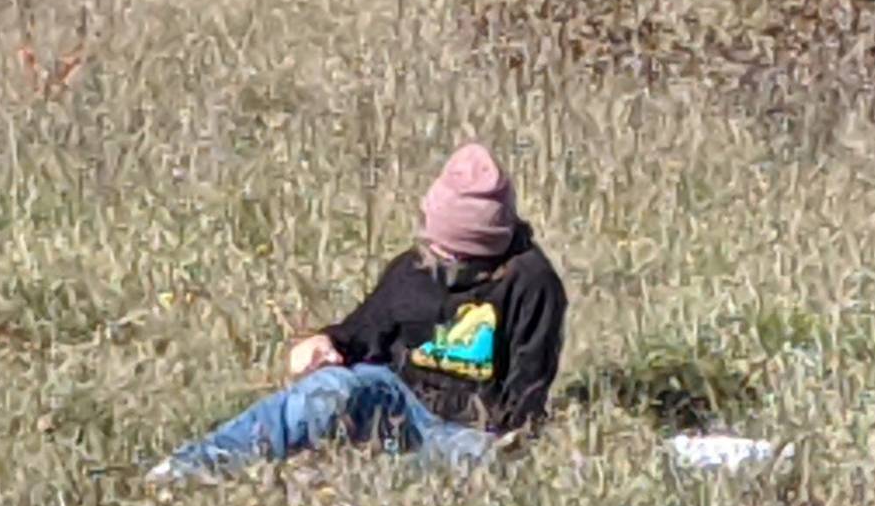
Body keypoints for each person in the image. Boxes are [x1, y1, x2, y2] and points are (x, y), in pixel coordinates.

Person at [151, 144, 568, 482]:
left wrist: (505, 442)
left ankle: (337, 481)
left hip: (470, 430)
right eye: (435, 245)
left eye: (454, 253)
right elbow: (365, 330)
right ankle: (193, 466)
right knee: (329, 390)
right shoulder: (415, 266)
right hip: (399, 398)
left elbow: (528, 386)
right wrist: (326, 344)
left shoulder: (532, 283)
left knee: (476, 466)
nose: (438, 258)